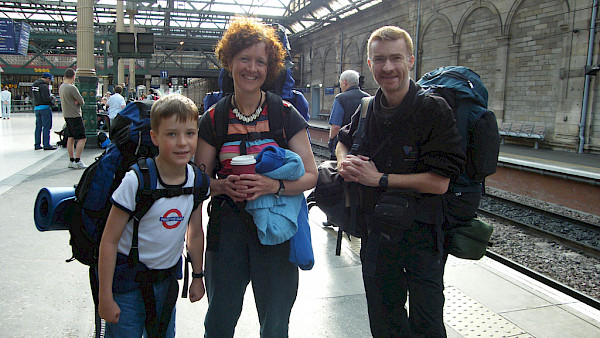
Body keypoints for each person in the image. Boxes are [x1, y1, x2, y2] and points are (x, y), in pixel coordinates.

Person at [335, 26, 466, 337]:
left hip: (421, 235)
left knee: (427, 324)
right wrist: (344, 162)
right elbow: (340, 142)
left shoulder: (433, 109)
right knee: (383, 320)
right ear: (369, 65)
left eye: (395, 58)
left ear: (410, 60)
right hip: (377, 234)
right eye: (379, 60)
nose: (388, 67)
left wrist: (379, 179)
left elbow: (439, 183)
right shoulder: (367, 107)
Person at [194, 16, 317, 337]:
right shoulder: (214, 118)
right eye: (244, 59)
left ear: (270, 67)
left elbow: (311, 175)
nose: (252, 68)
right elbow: (197, 180)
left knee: (275, 324)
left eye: (260, 61)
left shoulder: (285, 115)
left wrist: (273, 185)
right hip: (228, 229)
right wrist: (221, 186)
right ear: (229, 61)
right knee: (219, 320)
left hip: (276, 231)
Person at [98, 94, 207, 337]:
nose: (182, 143)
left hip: (166, 282)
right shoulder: (137, 180)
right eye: (171, 134)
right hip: (127, 284)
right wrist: (105, 296)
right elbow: (110, 240)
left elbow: (195, 233)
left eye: (190, 133)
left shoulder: (197, 182)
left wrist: (198, 276)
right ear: (154, 137)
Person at [327, 70, 369, 160]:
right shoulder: (368, 98)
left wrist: (331, 140)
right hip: (363, 145)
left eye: (340, 83)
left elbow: (336, 126)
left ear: (345, 82)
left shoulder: (340, 98)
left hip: (343, 145)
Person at [59, 68, 88, 169]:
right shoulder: (72, 88)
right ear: (73, 76)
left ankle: (71, 160)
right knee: (82, 138)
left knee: (70, 138)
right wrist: (76, 101)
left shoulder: (62, 87)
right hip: (75, 115)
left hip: (66, 115)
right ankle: (78, 160)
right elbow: (81, 101)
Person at [32, 72, 57, 150]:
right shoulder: (43, 86)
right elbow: (46, 98)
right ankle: (46, 144)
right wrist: (52, 100)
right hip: (45, 108)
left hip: (37, 108)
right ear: (47, 78)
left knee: (38, 127)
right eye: (50, 80)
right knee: (46, 127)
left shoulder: (34, 85)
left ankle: (37, 144)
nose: (50, 81)